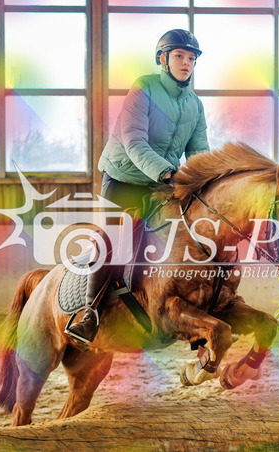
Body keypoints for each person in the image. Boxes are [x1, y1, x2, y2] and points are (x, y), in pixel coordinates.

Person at [66, 29, 209, 345]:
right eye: (179, 56)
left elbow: (199, 151)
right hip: (124, 180)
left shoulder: (195, 105)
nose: (186, 63)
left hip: (162, 186)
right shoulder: (143, 87)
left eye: (191, 58)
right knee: (113, 241)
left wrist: (204, 180)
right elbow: (134, 142)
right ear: (163, 59)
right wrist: (168, 173)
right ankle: (89, 313)